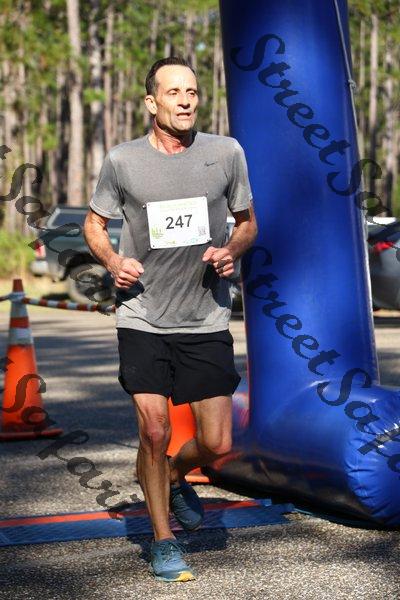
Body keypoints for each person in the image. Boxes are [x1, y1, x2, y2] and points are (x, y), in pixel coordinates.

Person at [84, 56, 257, 582]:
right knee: (155, 430)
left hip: (204, 316)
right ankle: (163, 540)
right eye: (174, 92)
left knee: (218, 443)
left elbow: (248, 223)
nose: (185, 100)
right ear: (151, 102)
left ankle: (176, 475)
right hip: (142, 312)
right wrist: (113, 261)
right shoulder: (123, 161)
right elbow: (94, 225)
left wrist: (231, 250)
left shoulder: (225, 153)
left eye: (192, 92)